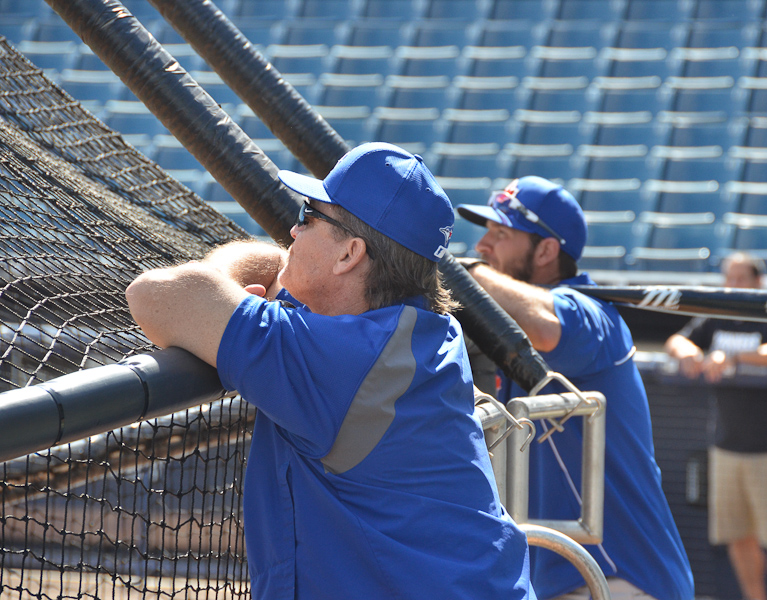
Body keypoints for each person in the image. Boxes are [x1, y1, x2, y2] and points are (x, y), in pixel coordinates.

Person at [126, 142, 536, 600]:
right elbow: (270, 263)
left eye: (308, 216)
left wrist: (218, 284)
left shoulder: (341, 361)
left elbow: (154, 296)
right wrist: (231, 288)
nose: (292, 231)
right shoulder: (423, 329)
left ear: (349, 255)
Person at [456, 176, 694, 600]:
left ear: (546, 250)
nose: (482, 246)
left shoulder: (593, 312)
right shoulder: (510, 319)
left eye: (500, 233)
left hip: (621, 577)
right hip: (565, 575)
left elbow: (546, 326)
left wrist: (466, 275)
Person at [664, 252, 767, 600]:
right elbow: (676, 340)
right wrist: (687, 353)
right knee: (737, 535)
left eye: (741, 278)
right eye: (730, 277)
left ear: (759, 282)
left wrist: (736, 359)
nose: (734, 284)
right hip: (727, 446)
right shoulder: (718, 313)